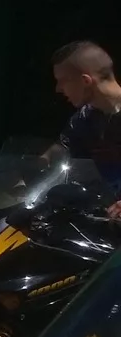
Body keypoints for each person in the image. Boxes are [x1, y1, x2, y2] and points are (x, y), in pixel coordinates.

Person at [52, 41, 121, 213]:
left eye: (62, 81)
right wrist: (21, 173)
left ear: (85, 81)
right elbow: (56, 154)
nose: (58, 89)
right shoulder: (85, 118)